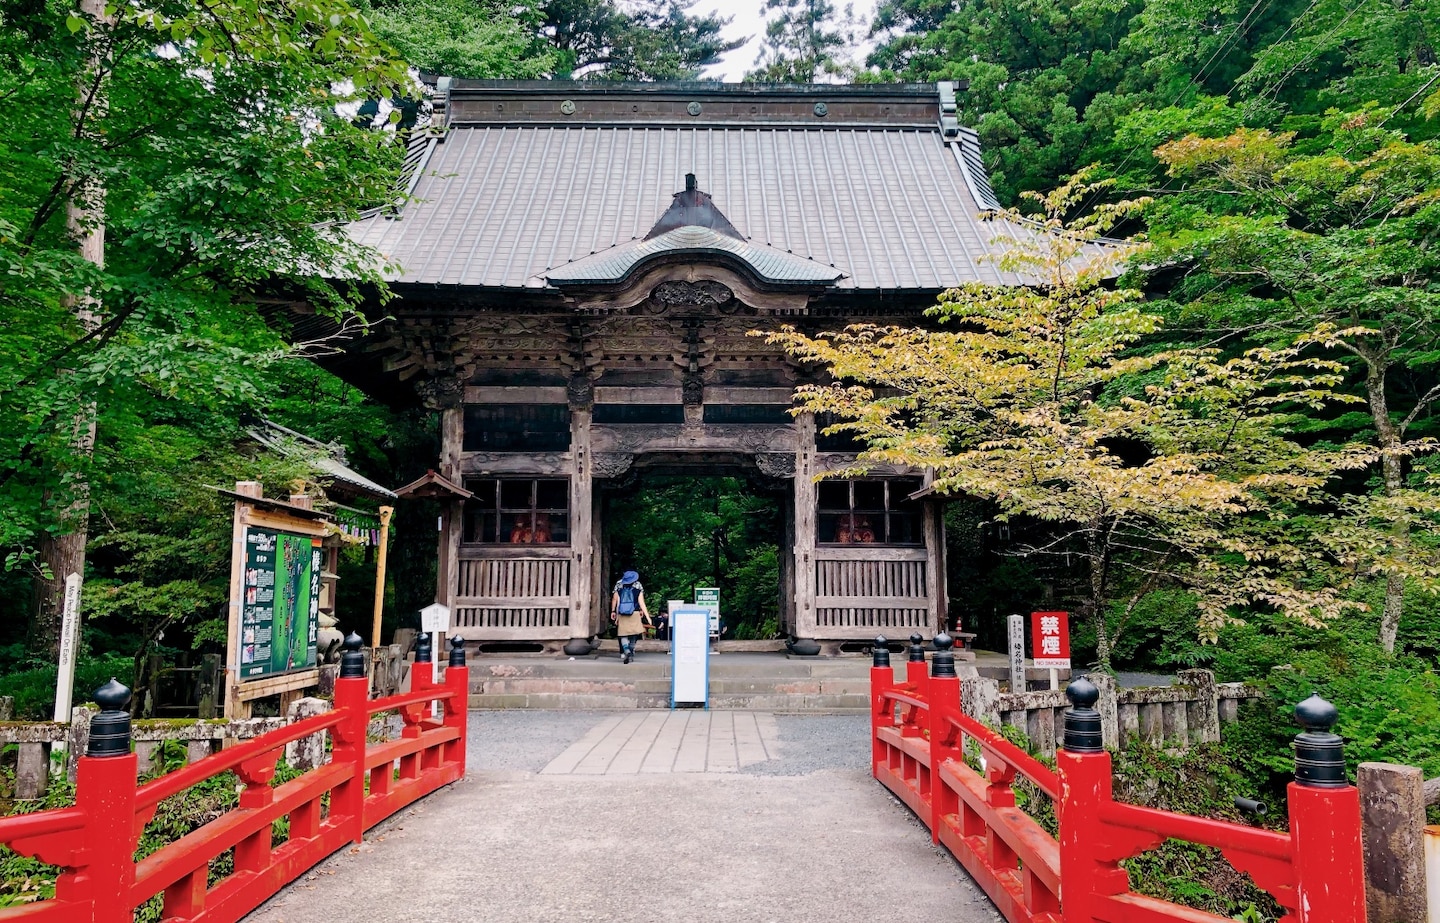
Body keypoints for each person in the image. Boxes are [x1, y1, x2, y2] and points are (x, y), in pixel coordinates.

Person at [610, 570, 651, 664]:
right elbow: (642, 603)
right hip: (635, 613)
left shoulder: (619, 585)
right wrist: (647, 616)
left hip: (622, 613)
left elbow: (615, 600)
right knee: (634, 634)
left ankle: (626, 651)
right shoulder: (638, 586)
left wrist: (613, 611)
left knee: (623, 634)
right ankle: (631, 651)